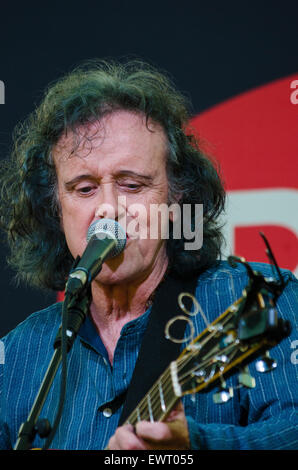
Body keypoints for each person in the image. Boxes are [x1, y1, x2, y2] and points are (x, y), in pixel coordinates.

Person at [0, 59, 297, 451]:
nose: (108, 208)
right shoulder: (20, 352)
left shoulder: (256, 300)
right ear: (56, 208)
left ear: (175, 200)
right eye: (84, 188)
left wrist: (197, 448)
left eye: (131, 185)